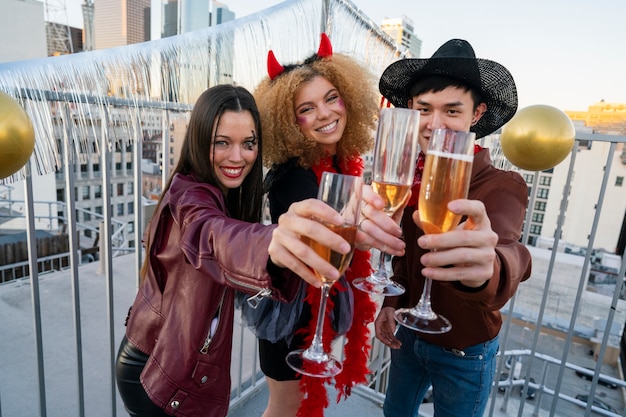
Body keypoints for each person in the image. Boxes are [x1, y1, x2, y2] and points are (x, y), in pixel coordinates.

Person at [114, 84, 395, 417]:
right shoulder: (191, 200)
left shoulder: (218, 189)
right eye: (222, 142)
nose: (238, 157)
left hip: (168, 360)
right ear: (199, 140)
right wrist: (271, 242)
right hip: (158, 372)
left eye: (248, 143)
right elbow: (214, 236)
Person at [245, 33, 404, 417]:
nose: (325, 113)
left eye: (331, 98)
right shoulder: (292, 177)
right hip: (292, 319)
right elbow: (332, 245)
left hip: (318, 312)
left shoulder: (341, 164)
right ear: (288, 122)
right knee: (285, 407)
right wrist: (367, 234)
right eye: (307, 109)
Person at [374, 39, 533, 417]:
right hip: (409, 335)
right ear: (411, 111)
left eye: (452, 110)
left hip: (464, 351)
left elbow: (507, 251)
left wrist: (487, 271)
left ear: (476, 114)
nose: (435, 123)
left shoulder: (502, 186)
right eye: (424, 109)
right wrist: (391, 303)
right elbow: (406, 256)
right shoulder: (409, 176)